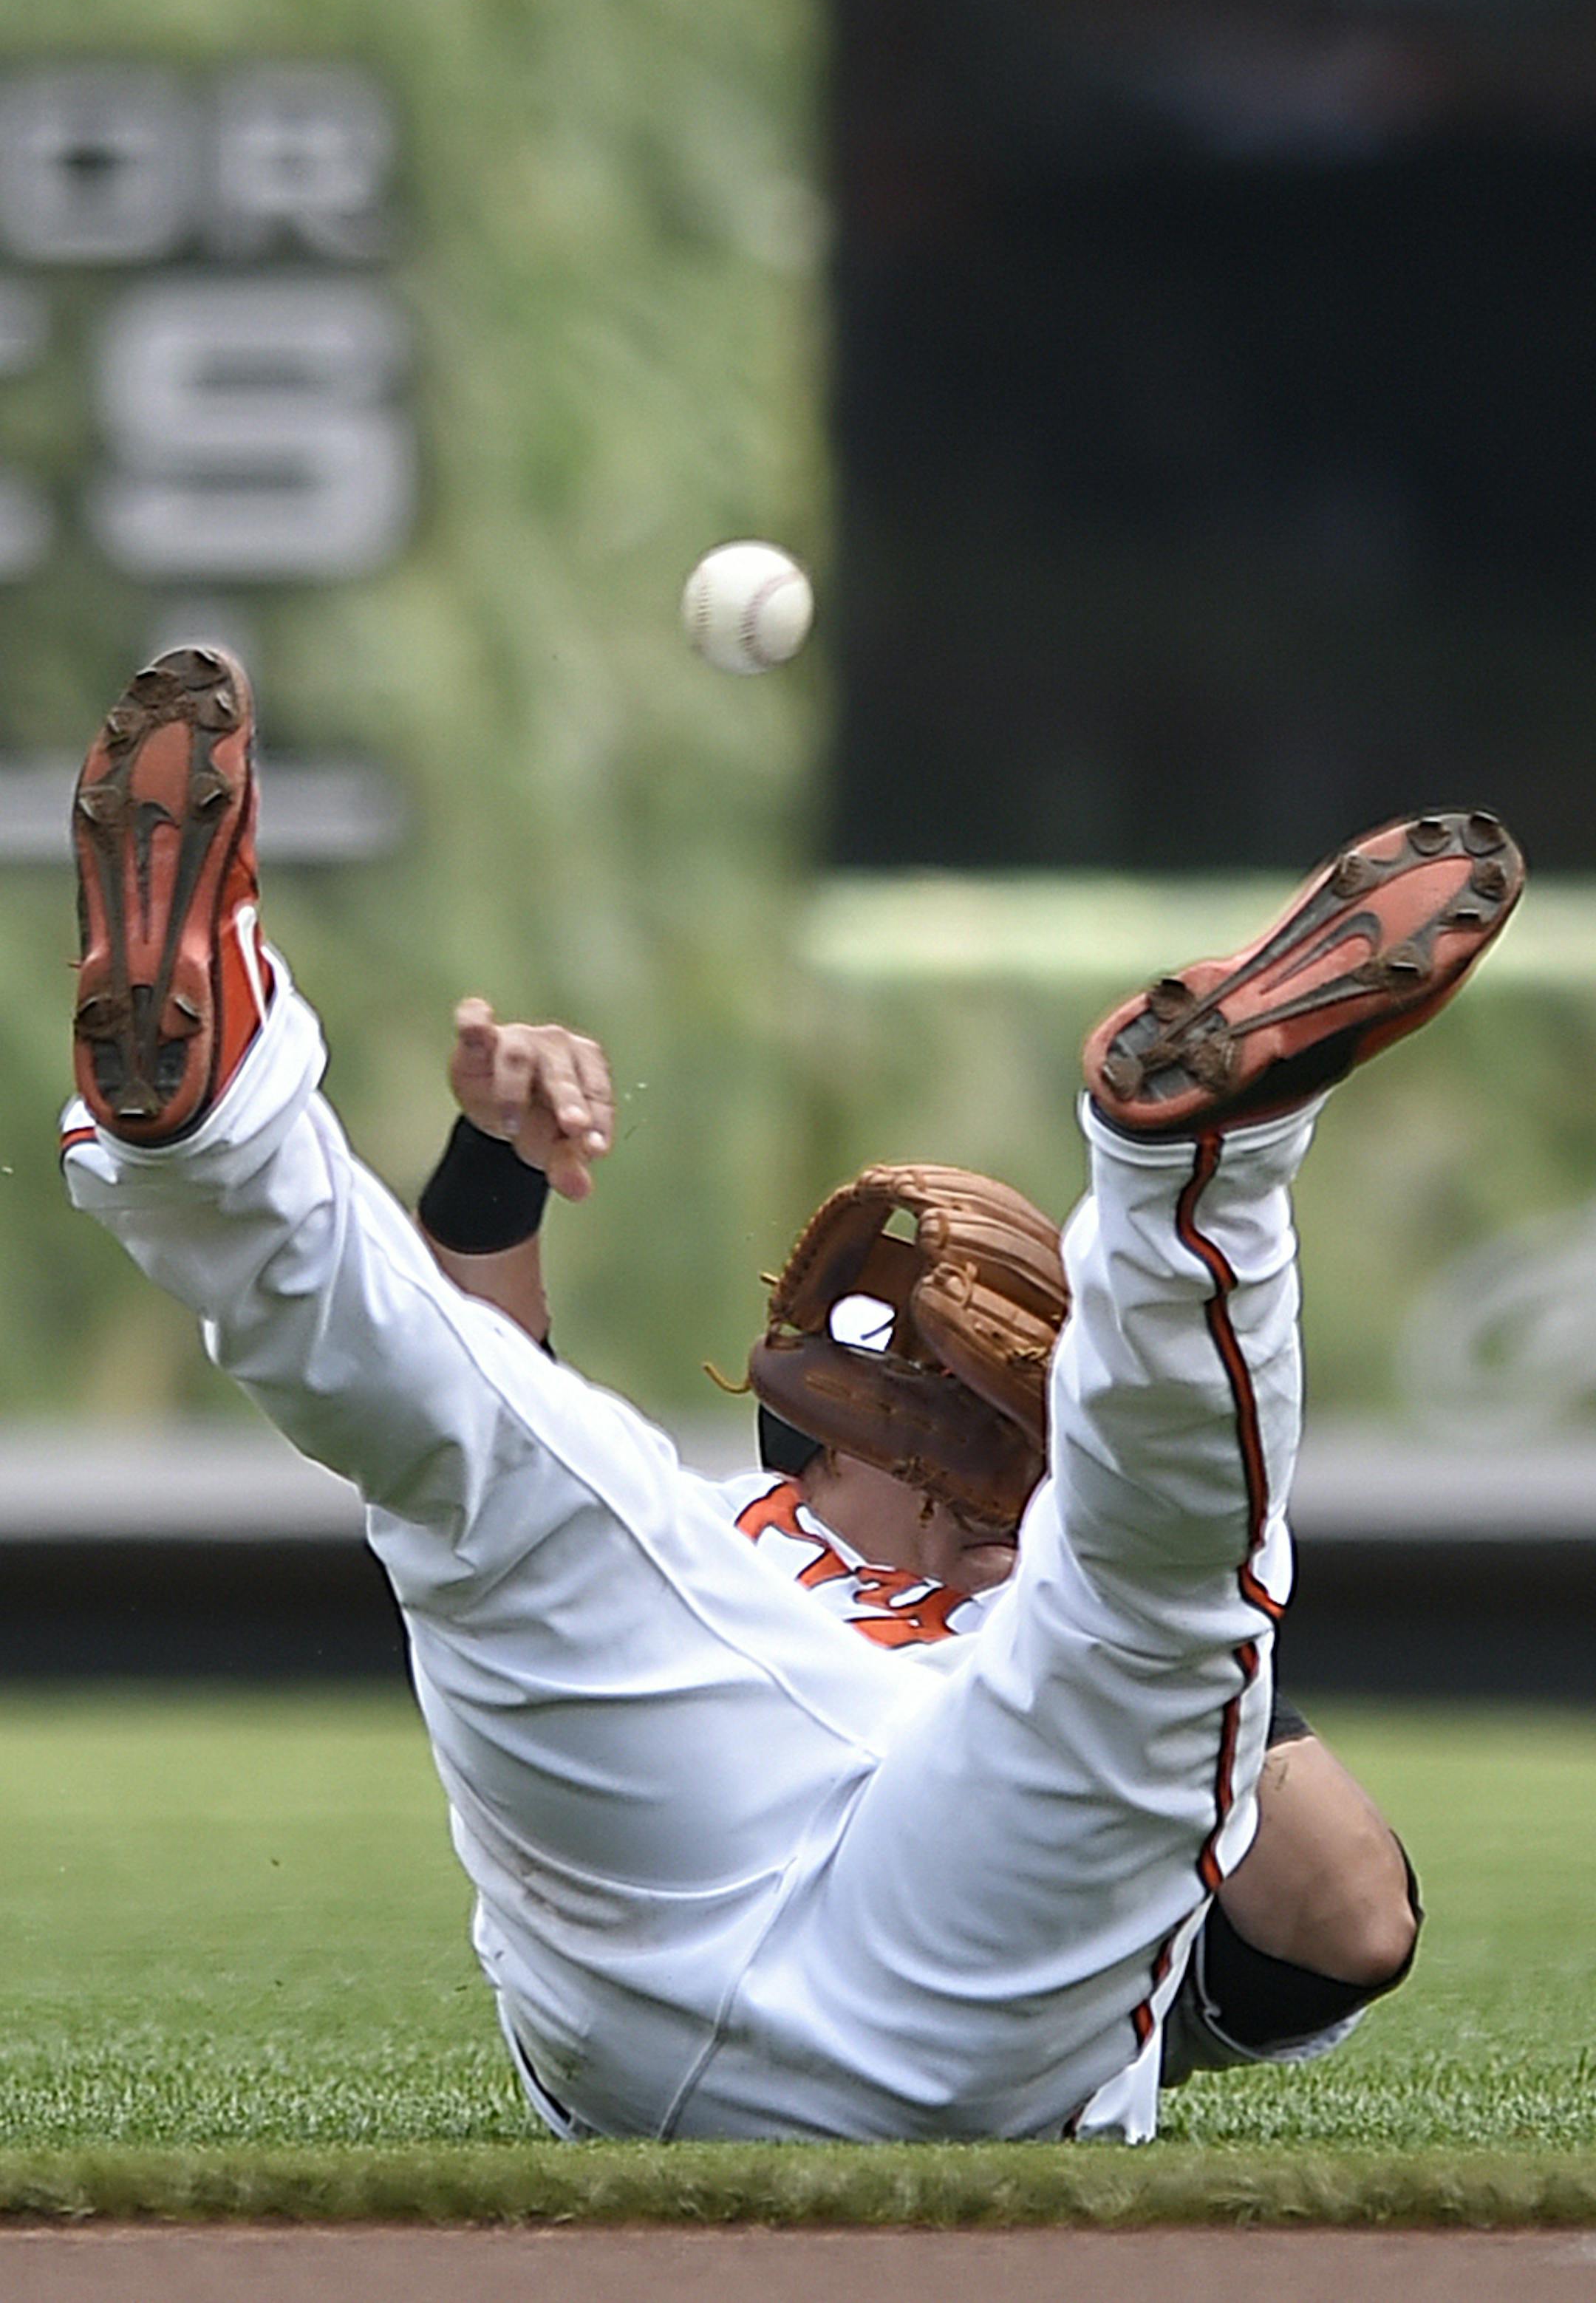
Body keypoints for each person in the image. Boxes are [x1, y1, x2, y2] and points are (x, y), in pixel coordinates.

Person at [62, 646, 1524, 2143]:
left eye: (1004, 1385)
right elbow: (475, 1386)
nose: (975, 1405)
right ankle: (211, 1134)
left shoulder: (1049, 1623)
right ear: (819, 1412)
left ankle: (1197, 1155)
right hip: (698, 1864)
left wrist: (1164, 1660)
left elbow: (1348, 1917)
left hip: (936, 1954)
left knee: (1147, 1611)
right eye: (940, 1372)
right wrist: (495, 1161)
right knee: (501, 1471)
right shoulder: (705, 1538)